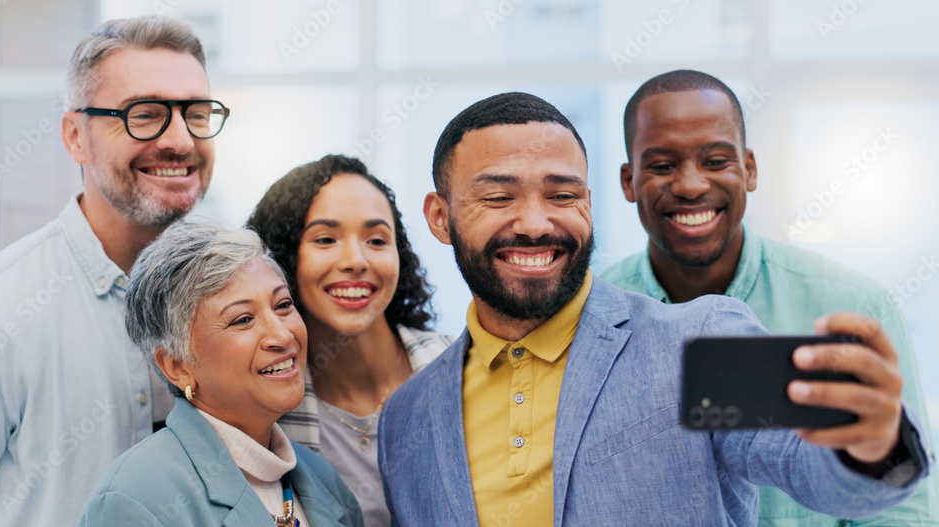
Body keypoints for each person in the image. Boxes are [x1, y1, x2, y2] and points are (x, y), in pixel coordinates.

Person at [377, 91, 930, 526]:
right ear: (440, 217)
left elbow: (805, 466)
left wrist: (873, 444)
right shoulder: (407, 418)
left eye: (563, 195)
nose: (537, 222)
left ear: (589, 203)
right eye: (498, 197)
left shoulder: (701, 342)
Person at [601, 69, 937, 525]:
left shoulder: (853, 304)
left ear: (750, 169)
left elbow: (902, 507)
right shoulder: (595, 316)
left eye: (716, 161)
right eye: (661, 166)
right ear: (628, 180)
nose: (692, 185)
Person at [0, 16, 228, 526]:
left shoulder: (235, 296)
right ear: (75, 136)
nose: (181, 140)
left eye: (197, 113)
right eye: (146, 114)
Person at [77, 221, 362, 526]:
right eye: (242, 320)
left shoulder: (323, 479)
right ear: (177, 365)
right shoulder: (134, 500)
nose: (282, 335)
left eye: (282, 305)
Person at [247, 154, 453, 526]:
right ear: (283, 259)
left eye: (376, 240)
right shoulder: (264, 407)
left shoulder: (462, 366)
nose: (356, 260)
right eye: (325, 239)